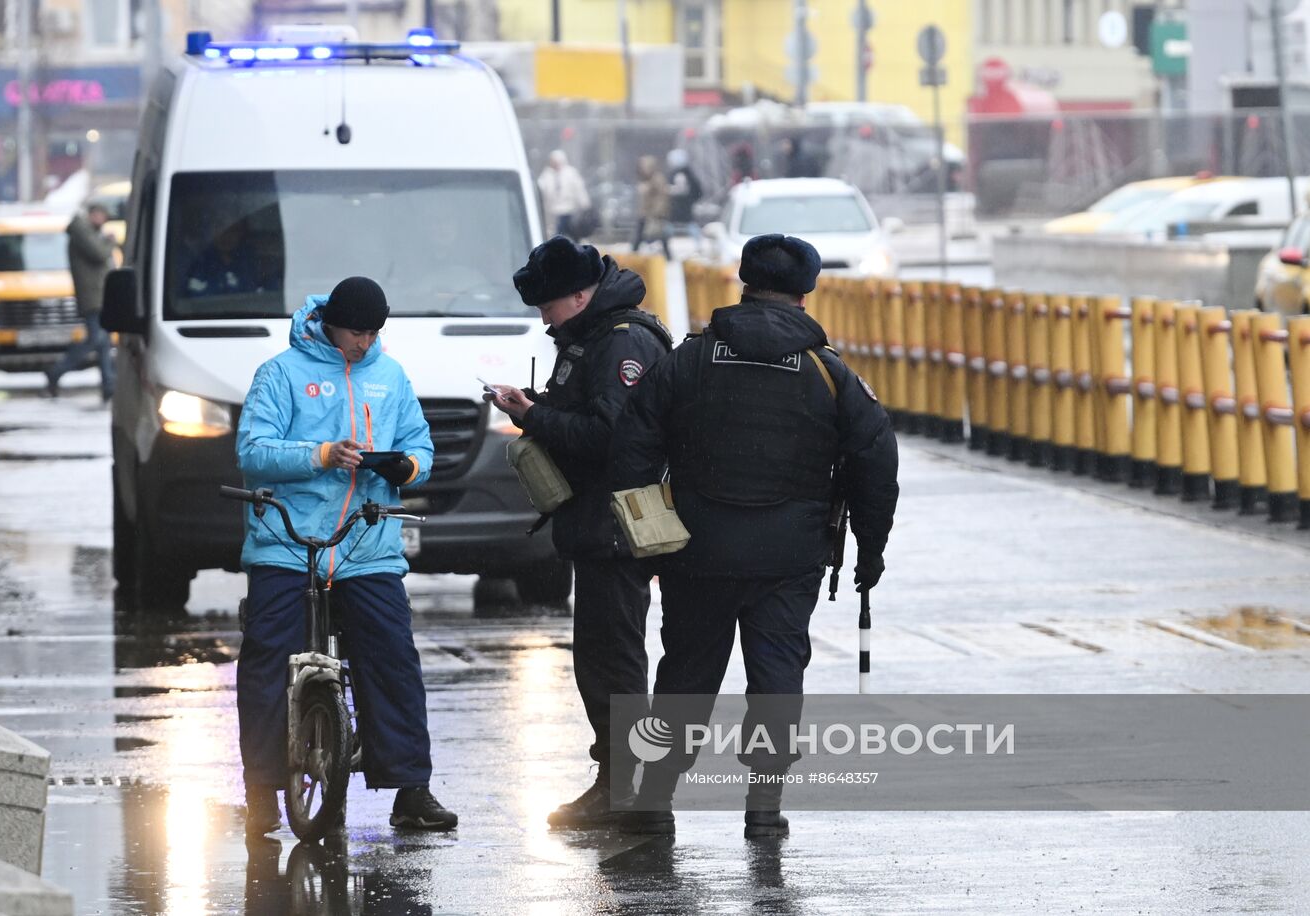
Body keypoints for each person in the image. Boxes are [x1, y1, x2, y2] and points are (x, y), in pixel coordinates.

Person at [608, 234, 899, 839]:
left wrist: (646, 537)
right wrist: (869, 553)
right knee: (777, 676)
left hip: (698, 549)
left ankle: (656, 799)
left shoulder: (690, 358)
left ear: (742, 280)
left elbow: (634, 445)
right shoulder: (829, 372)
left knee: (686, 673)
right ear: (806, 290)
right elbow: (875, 463)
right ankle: (764, 809)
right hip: (790, 557)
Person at [235, 276, 457, 837]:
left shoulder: (391, 375)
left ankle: (412, 790)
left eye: (374, 332)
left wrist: (406, 467)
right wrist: (322, 454)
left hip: (366, 545)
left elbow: (421, 448)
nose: (365, 342)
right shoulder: (280, 374)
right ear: (331, 322)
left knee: (392, 657)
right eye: (358, 331)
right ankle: (261, 790)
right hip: (287, 545)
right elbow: (252, 452)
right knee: (267, 660)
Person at [484, 237, 673, 828]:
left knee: (613, 661)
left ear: (578, 293)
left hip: (616, 525)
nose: (542, 316)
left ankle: (630, 789)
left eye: (547, 304)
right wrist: (534, 406)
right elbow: (591, 415)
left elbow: (612, 436)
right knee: (602, 658)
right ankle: (622, 784)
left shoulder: (622, 342)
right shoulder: (594, 336)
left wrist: (533, 416)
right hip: (596, 525)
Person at [44, 204, 116, 400]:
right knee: (97, 339)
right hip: (92, 296)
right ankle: (57, 371)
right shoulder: (81, 231)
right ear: (94, 213)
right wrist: (110, 243)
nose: (104, 221)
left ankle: (109, 384)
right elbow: (99, 254)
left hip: (99, 296)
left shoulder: (87, 231)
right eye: (102, 215)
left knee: (104, 344)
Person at [537, 150, 592, 240]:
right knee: (557, 234)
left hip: (569, 210)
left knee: (567, 233)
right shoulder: (546, 175)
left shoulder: (570, 173)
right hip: (553, 213)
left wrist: (585, 205)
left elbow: (579, 189)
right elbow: (542, 190)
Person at [665, 149, 704, 253]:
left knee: (670, 227)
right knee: (688, 225)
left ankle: (665, 247)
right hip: (684, 207)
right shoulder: (689, 174)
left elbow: (695, 191)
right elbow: (698, 190)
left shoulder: (677, 174)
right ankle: (699, 245)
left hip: (678, 207)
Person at [631, 155, 670, 256]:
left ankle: (667, 255)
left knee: (658, 235)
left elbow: (662, 197)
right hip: (645, 212)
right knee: (642, 234)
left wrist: (656, 212)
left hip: (653, 213)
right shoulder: (644, 180)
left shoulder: (657, 179)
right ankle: (634, 253)